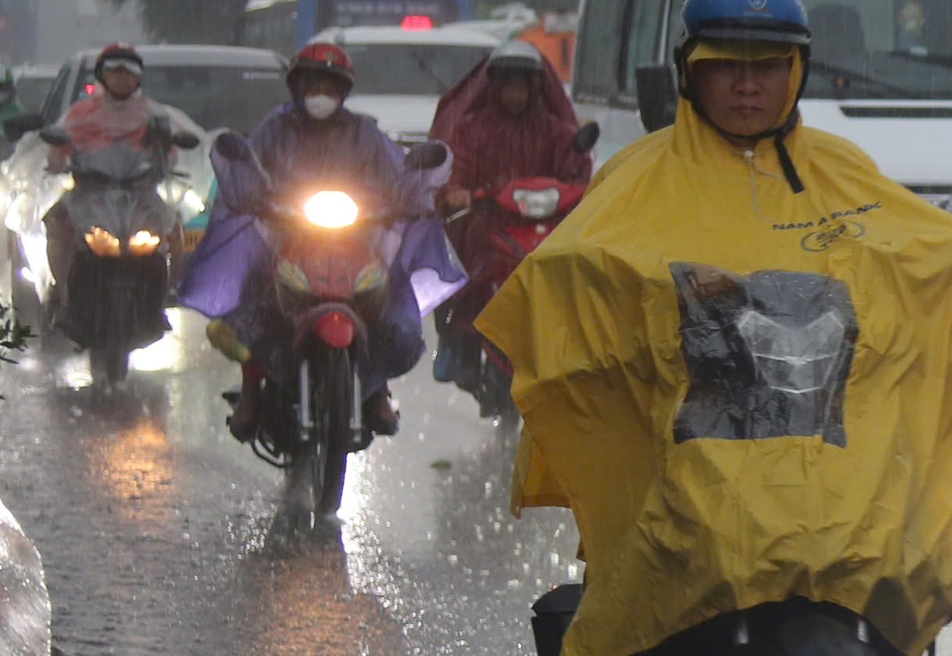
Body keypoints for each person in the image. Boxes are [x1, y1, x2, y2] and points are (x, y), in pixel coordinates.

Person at [478, 0, 952, 656]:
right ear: (690, 74)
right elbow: (572, 268)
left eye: (769, 66)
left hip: (827, 450)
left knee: (938, 550)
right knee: (632, 544)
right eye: (726, 66)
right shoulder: (638, 174)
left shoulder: (844, 175)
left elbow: (920, 253)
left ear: (799, 73)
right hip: (694, 446)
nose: (748, 84)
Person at [181, 41, 459, 441]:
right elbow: (252, 171)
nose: (322, 96)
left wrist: (409, 191)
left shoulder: (364, 133)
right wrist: (254, 192)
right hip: (288, 238)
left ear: (343, 93)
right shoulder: (275, 130)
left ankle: (377, 386)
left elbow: (395, 173)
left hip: (354, 242)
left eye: (331, 88)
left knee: (386, 300)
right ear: (298, 86)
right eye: (315, 86)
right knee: (258, 301)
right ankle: (252, 390)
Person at [427, 39, 590, 405]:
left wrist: (584, 186)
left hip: (543, 228)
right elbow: (457, 167)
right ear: (495, 85)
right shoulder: (471, 129)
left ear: (535, 87)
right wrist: (458, 191)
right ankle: (464, 339)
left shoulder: (555, 130)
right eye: (509, 83)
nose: (516, 92)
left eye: (523, 84)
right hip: (490, 223)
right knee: (472, 269)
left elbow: (575, 167)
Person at [40, 46, 185, 319]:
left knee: (173, 228)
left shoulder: (153, 116)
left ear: (138, 78)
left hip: (141, 194)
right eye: (114, 72)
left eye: (128, 73)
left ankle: (166, 292)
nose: (121, 78)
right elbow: (58, 150)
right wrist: (57, 160)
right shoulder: (80, 114)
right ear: (101, 75)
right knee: (56, 222)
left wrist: (165, 157)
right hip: (89, 193)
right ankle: (64, 295)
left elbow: (171, 155)